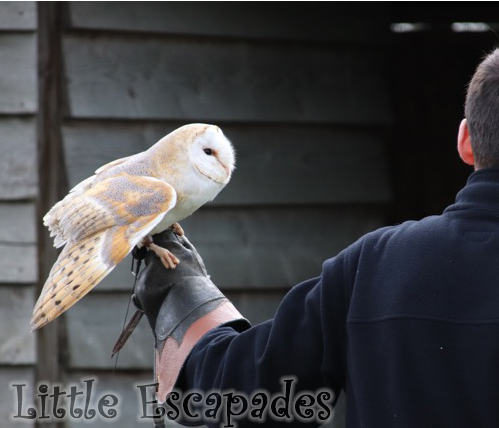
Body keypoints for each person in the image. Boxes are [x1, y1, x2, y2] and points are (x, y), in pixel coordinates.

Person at [133, 48, 499, 427]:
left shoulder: (374, 268)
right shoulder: (369, 269)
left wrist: (181, 292)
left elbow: (237, 398)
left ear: (465, 140)